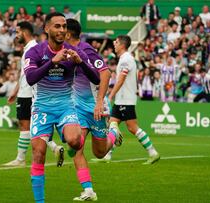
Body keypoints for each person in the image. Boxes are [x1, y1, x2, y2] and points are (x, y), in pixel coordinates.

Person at [24, 12, 99, 203]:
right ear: (47, 28)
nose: (62, 30)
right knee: (38, 153)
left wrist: (80, 62)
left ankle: (70, 139)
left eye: (64, 26)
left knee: (75, 140)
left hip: (66, 106)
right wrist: (52, 62)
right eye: (57, 26)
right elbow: (30, 78)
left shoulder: (74, 51)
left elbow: (96, 78)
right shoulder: (35, 52)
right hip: (42, 108)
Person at [65, 18, 121, 201]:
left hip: (96, 106)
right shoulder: (64, 51)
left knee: (100, 152)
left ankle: (113, 131)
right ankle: (88, 191)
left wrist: (99, 103)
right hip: (78, 107)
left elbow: (106, 73)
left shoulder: (86, 50)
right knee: (77, 146)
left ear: (68, 33)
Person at [3, 21, 64, 167]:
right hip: (26, 91)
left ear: (24, 32)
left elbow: (37, 73)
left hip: (28, 93)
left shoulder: (33, 49)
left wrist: (21, 91)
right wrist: (15, 90)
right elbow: (26, 74)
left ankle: (20, 159)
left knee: (25, 126)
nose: (16, 35)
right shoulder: (31, 49)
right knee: (32, 127)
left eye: (17, 32)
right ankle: (54, 147)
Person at [108, 35, 160, 165]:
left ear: (122, 45)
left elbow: (121, 79)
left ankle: (153, 152)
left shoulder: (127, 59)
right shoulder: (123, 58)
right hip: (121, 99)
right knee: (112, 125)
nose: (114, 43)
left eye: (116, 41)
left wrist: (111, 94)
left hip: (126, 99)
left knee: (132, 128)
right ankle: (107, 155)